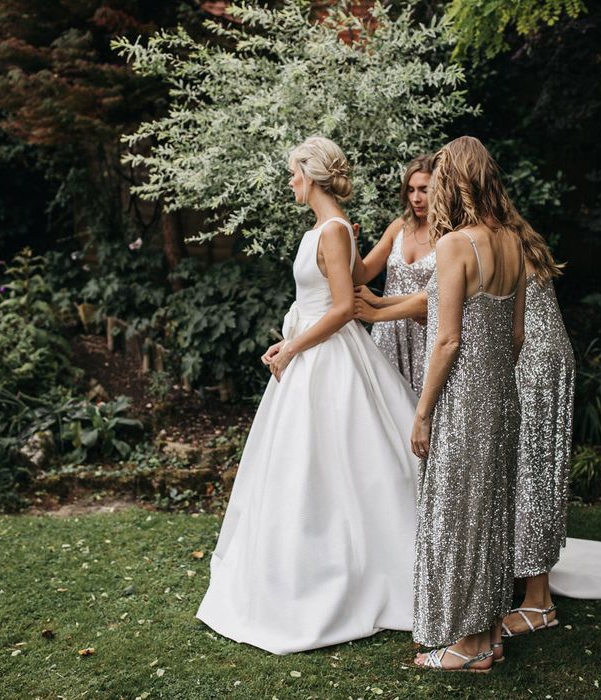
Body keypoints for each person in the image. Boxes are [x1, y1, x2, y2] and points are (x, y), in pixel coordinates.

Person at [196, 136, 420, 655]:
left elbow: (343, 307)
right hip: (311, 355)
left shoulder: (335, 230)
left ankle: (355, 570)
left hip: (329, 360)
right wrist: (291, 342)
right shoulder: (326, 230)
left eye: (294, 173)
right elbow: (335, 289)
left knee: (344, 462)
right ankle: (293, 566)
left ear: (313, 176)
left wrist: (293, 347)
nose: (290, 181)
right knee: (300, 466)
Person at [410, 136, 526, 673]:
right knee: (491, 515)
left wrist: (424, 411)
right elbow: (518, 336)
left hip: (463, 398)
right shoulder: (513, 242)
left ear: (454, 181)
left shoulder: (458, 244)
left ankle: (466, 644)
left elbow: (448, 340)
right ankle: (489, 636)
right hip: (503, 396)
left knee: (459, 514)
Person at [500, 230, 574, 638]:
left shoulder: (496, 241)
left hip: (533, 364)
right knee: (530, 473)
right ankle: (526, 583)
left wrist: (376, 309)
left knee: (532, 475)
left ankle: (538, 602)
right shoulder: (515, 234)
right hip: (546, 358)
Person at [351, 156, 436, 395]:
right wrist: (351, 246)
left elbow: (437, 295)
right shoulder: (399, 227)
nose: (415, 198)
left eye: (423, 190)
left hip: (425, 332)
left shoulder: (450, 235)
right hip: (387, 328)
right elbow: (362, 274)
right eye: (410, 190)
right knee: (385, 404)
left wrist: (377, 305)